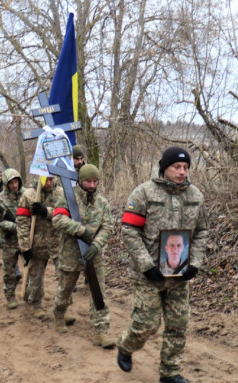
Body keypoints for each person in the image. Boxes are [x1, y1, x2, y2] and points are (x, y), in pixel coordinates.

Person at [117, 147, 208, 383]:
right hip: (148, 275)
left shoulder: (195, 196)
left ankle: (170, 372)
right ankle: (126, 346)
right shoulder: (144, 193)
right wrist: (146, 265)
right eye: (176, 167)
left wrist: (195, 263)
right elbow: (129, 230)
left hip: (179, 273)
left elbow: (201, 232)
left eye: (186, 167)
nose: (182, 172)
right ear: (164, 167)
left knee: (178, 325)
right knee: (146, 324)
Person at [52, 164, 116, 348]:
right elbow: (57, 219)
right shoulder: (68, 197)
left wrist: (96, 244)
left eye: (95, 181)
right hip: (71, 254)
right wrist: (81, 230)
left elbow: (107, 227)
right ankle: (59, 313)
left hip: (93, 255)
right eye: (88, 181)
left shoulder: (102, 202)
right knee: (65, 290)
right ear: (80, 181)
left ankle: (100, 331)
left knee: (98, 293)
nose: (92, 184)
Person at [16, 176, 63, 320]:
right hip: (36, 242)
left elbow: (66, 214)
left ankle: (63, 308)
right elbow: (22, 222)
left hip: (57, 241)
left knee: (64, 276)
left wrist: (46, 211)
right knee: (35, 276)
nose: (49, 183)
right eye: (46, 180)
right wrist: (25, 247)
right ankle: (36, 304)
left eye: (51, 179)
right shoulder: (29, 195)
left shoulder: (61, 193)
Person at [0, 168, 26, 309]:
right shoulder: (0, 199)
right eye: (11, 183)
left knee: (31, 267)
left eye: (16, 181)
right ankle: (10, 295)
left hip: (25, 238)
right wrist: (12, 226)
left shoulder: (26, 195)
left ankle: (29, 292)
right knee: (9, 271)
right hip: (9, 240)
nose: (14, 185)